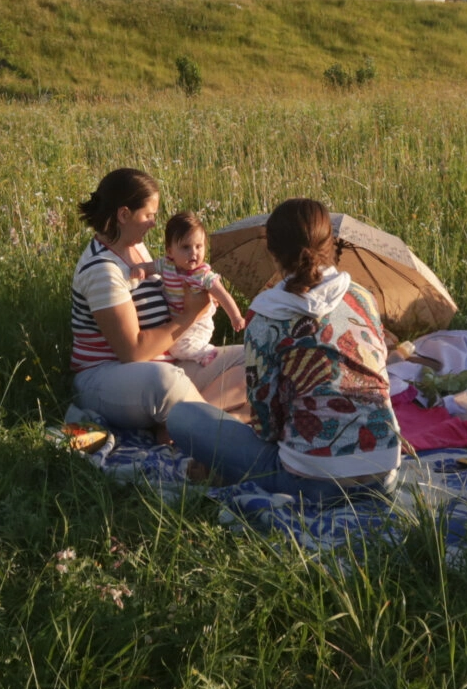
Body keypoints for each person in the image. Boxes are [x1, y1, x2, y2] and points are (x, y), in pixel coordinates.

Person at [165, 198, 402, 505]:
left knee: (182, 416)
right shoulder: (363, 298)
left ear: (271, 251)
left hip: (311, 484)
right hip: (384, 477)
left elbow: (266, 425)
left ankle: (233, 472)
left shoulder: (266, 315)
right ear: (331, 244)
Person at [69, 168, 244, 432]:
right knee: (165, 382)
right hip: (107, 377)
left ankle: (187, 425)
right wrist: (190, 315)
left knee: (256, 359)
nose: (154, 223)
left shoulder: (135, 247)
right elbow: (133, 352)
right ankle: (218, 427)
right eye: (149, 215)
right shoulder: (102, 269)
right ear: (124, 214)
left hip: (166, 363)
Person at [158, 211, 249, 373]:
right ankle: (195, 355)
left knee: (177, 348)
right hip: (180, 318)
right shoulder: (167, 265)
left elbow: (222, 295)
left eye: (199, 246)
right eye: (185, 247)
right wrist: (139, 270)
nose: (194, 253)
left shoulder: (202, 275)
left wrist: (235, 317)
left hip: (199, 322)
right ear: (170, 251)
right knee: (173, 346)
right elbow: (148, 267)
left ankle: (205, 353)